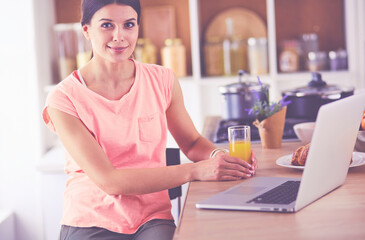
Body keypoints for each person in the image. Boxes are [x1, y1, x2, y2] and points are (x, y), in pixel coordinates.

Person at [42, 0, 257, 239]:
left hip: (151, 220)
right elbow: (110, 181)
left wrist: (219, 157)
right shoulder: (64, 98)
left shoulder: (162, 80)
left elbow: (193, 143)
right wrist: (195, 171)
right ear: (86, 30)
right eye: (106, 25)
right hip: (91, 221)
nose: (119, 36)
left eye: (129, 24)